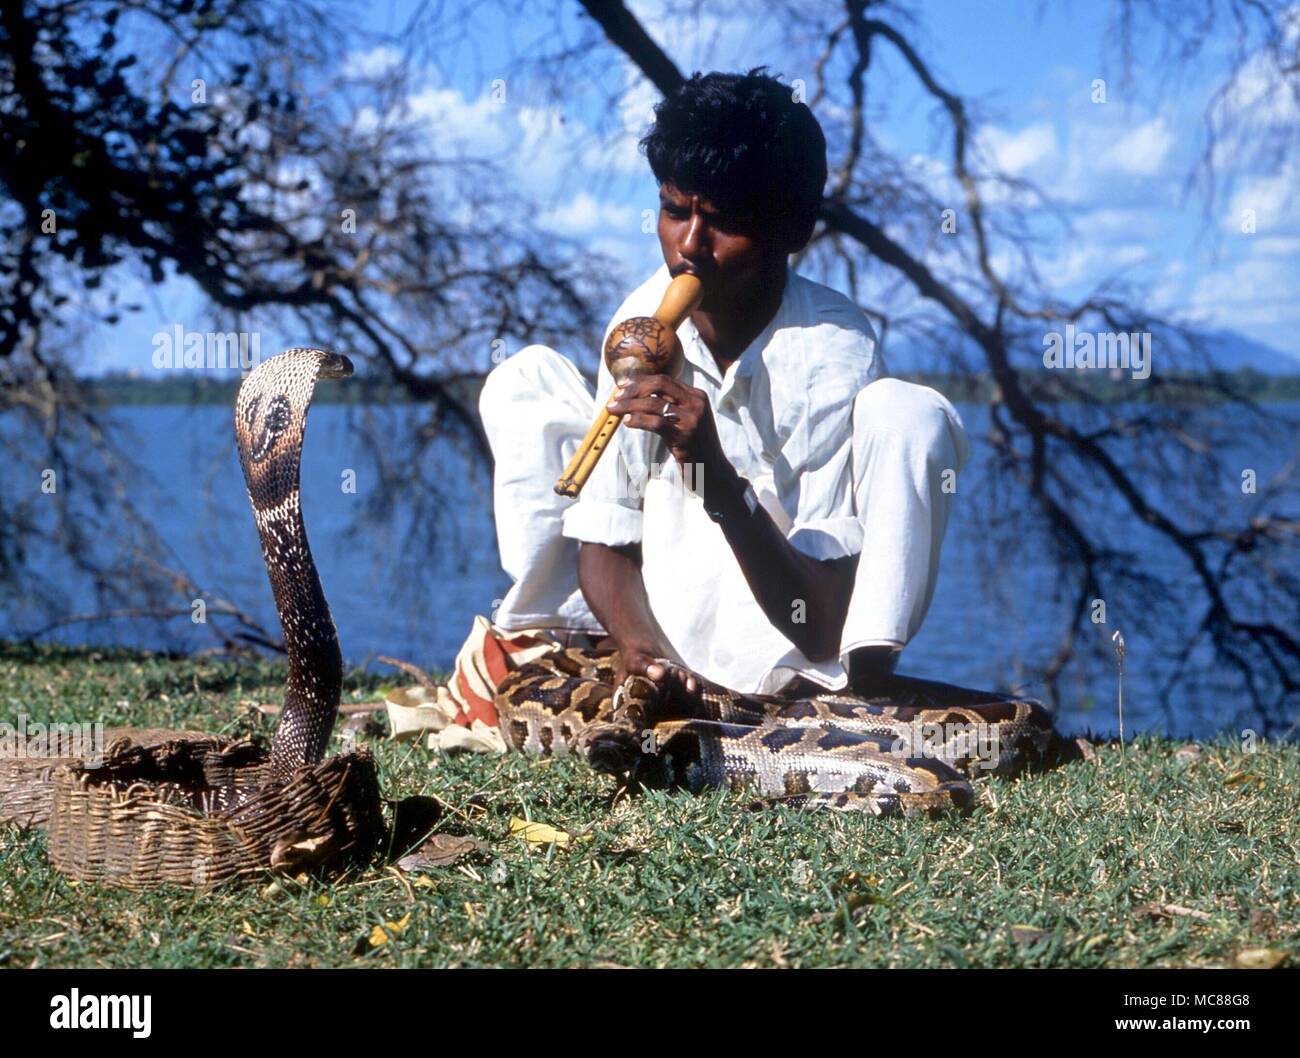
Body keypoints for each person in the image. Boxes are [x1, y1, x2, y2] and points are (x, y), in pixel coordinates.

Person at [478, 68, 969, 703]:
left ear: (794, 230)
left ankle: (862, 694)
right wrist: (640, 649)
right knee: (526, 380)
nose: (689, 246)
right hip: (665, 625)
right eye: (673, 210)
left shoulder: (833, 348)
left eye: (724, 221)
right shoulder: (641, 320)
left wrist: (707, 466)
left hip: (798, 636)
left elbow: (815, 622)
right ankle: (583, 644)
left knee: (910, 413)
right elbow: (605, 540)